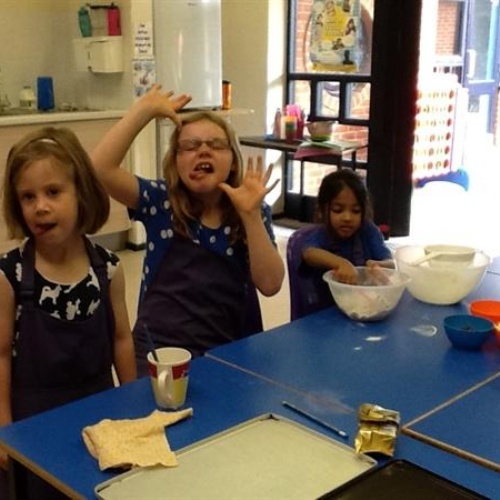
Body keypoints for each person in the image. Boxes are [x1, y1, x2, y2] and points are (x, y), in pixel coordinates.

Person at [91, 84, 285, 375]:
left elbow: (270, 285)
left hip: (230, 351)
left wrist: (251, 216)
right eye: (190, 146)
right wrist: (142, 111)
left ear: (233, 161)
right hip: (159, 350)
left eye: (215, 145)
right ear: (176, 161)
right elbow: (99, 168)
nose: (203, 150)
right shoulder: (160, 200)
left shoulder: (252, 210)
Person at [0, 127, 136, 500]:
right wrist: (3, 429)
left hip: (100, 417)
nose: (40, 206)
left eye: (53, 192)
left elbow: (122, 340)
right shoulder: (10, 276)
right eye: (28, 197)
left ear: (82, 194)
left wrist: (133, 406)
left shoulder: (108, 269)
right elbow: (0, 355)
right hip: (32, 426)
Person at [300, 168, 393, 311]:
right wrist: (341, 263)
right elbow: (309, 253)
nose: (347, 218)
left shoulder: (368, 231)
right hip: (326, 312)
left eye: (355, 211)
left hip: (364, 306)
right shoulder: (323, 233)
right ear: (323, 210)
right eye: (338, 210)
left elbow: (391, 264)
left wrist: (379, 266)